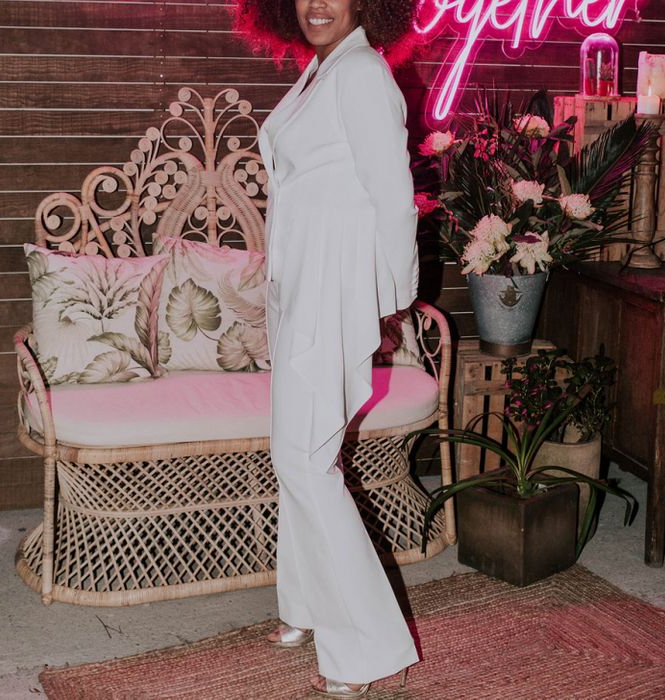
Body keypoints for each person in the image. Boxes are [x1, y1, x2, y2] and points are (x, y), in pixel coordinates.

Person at [238, 0, 420, 695]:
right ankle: (308, 606)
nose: (316, 4)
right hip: (299, 283)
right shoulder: (322, 71)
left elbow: (394, 198)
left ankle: (368, 647)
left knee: (306, 461)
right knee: (298, 454)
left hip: (334, 287)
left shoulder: (362, 75)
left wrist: (390, 302)